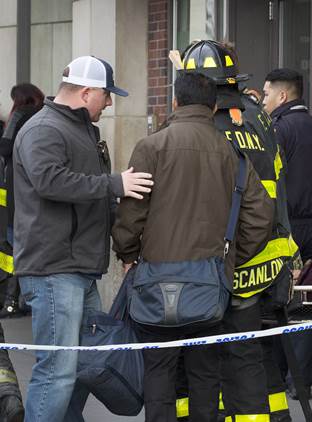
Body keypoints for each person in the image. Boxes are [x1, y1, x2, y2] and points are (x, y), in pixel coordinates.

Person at [112, 72, 275, 422]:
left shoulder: (150, 147)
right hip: (210, 285)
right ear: (214, 106)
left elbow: (130, 214)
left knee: (158, 373)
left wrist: (128, 256)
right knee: (205, 374)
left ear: (174, 103)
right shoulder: (230, 153)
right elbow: (261, 216)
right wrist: (229, 258)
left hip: (155, 281)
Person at [14, 55, 153, 422]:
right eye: (106, 95)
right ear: (87, 92)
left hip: (74, 268)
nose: (109, 104)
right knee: (59, 370)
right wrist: (115, 184)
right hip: (55, 269)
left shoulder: (75, 130)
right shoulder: (44, 129)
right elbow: (49, 181)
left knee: (79, 368)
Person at [178, 40, 299, 422]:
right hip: (268, 258)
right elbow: (277, 181)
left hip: (223, 263)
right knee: (255, 353)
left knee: (205, 357)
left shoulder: (203, 123)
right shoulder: (259, 116)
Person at [262, 67, 312, 401]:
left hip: (288, 228)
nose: (262, 100)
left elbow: (271, 184)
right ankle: (302, 380)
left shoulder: (278, 131)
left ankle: (277, 376)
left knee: (278, 300)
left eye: (266, 94)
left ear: (282, 95)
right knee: (308, 304)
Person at [0, 83, 44, 319]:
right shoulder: (44, 117)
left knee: (12, 250)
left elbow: (4, 146)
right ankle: (23, 299)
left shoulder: (20, 115)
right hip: (36, 199)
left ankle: (11, 301)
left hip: (15, 196)